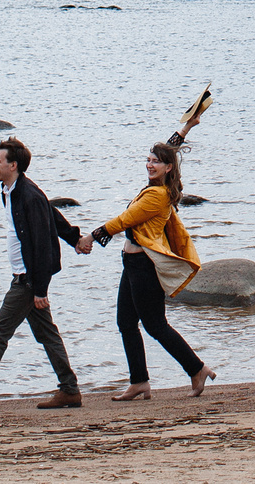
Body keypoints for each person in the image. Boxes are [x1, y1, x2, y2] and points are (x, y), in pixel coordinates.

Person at [0, 137, 94, 412]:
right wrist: (75, 238)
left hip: (28, 279)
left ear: (13, 165)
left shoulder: (28, 195)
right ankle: (70, 390)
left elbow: (42, 244)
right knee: (47, 333)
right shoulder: (10, 190)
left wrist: (39, 290)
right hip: (27, 277)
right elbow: (52, 214)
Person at [88, 140, 215, 399]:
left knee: (155, 325)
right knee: (125, 323)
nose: (150, 164)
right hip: (132, 264)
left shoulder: (157, 196)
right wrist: (187, 128)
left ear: (168, 168)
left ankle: (197, 369)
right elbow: (170, 147)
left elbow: (125, 220)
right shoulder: (157, 187)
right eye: (148, 159)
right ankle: (139, 382)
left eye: (155, 161)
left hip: (144, 266)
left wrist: (91, 237)